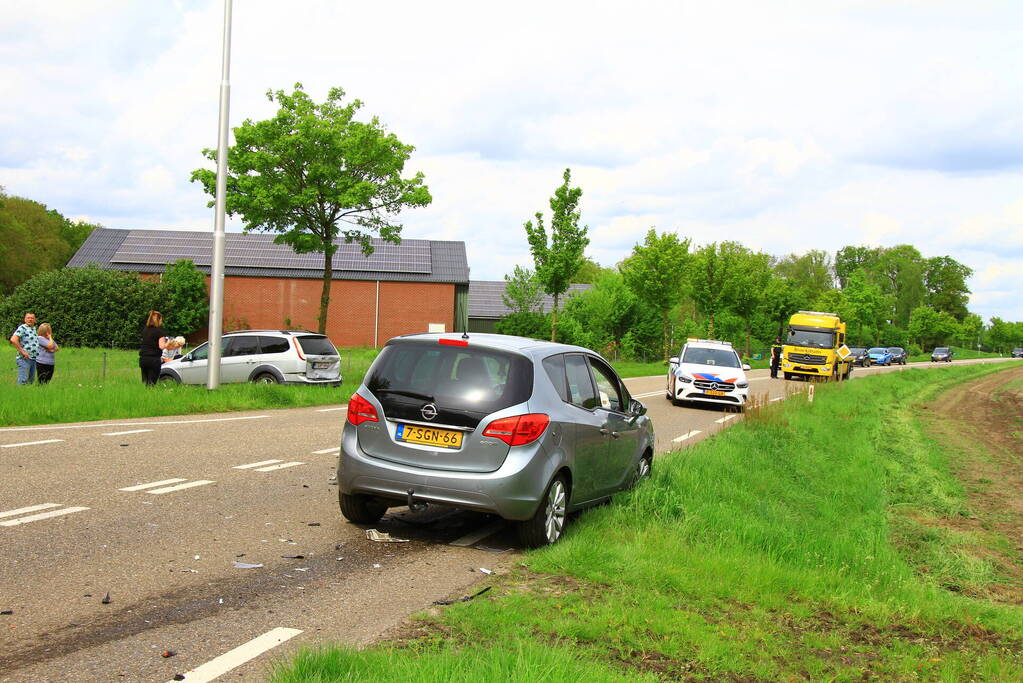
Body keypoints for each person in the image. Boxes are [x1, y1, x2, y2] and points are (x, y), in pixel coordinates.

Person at [139, 310, 168, 385]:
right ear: (158, 320)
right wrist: (168, 343)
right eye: (161, 320)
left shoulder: (145, 330)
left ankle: (144, 396)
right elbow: (161, 346)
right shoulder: (159, 332)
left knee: (145, 383)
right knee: (151, 384)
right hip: (153, 360)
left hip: (143, 359)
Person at [10, 311, 39, 385]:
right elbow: (13, 339)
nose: (30, 319)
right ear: (25, 319)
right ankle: (18, 395)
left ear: (35, 320)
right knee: (23, 380)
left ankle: (27, 396)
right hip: (24, 358)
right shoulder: (22, 327)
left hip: (33, 358)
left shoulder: (34, 329)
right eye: (28, 318)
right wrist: (22, 351)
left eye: (32, 318)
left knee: (31, 381)